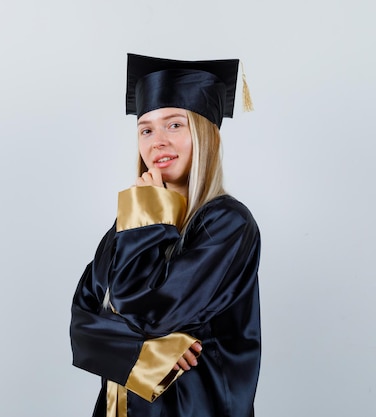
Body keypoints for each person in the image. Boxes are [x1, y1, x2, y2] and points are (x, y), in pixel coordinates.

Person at [70, 53, 262, 417]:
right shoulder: (129, 222)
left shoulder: (228, 223)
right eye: (146, 129)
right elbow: (81, 326)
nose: (157, 141)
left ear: (206, 136)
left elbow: (144, 311)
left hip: (195, 407)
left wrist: (125, 341)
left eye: (174, 125)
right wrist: (153, 353)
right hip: (120, 408)